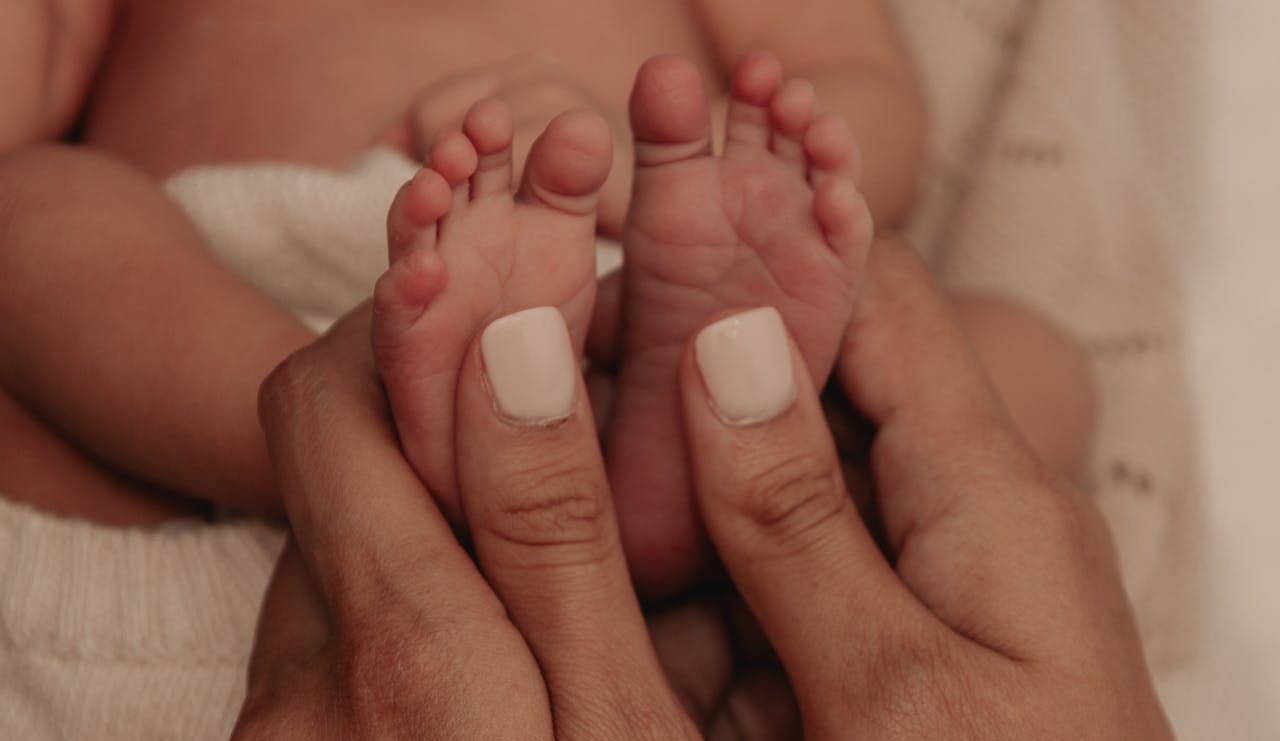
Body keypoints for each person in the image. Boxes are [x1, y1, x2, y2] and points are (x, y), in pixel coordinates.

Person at [0, 1, 1094, 596]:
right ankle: (356, 448)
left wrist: (669, 164)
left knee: (1025, 366)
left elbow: (867, 107)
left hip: (638, 270)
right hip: (244, 312)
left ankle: (698, 483)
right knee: (28, 214)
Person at [231, 235, 1225, 741]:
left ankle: (581, 436)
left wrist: (677, 177)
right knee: (91, 260)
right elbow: (68, 197)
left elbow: (867, 87)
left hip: (653, 285)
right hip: (302, 280)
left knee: (1033, 360)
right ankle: (399, 429)